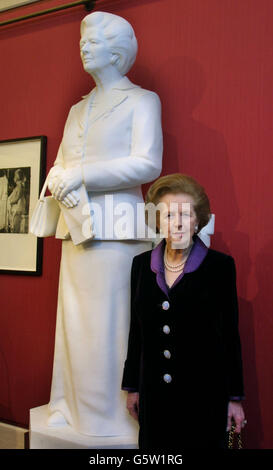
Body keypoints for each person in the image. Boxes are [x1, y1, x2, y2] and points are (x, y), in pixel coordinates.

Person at [46, 11, 162, 438]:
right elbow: (59, 164)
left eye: (92, 42)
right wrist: (60, 182)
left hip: (116, 229)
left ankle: (112, 416)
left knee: (112, 321)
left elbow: (148, 162)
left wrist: (82, 176)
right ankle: (71, 406)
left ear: (116, 52)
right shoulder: (78, 110)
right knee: (73, 320)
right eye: (82, 41)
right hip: (76, 227)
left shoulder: (142, 101)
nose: (83, 48)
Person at [122, 173, 246, 448]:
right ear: (157, 221)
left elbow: (230, 337)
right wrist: (132, 388)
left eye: (186, 214)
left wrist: (234, 398)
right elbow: (137, 331)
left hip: (204, 399)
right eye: (167, 215)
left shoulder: (220, 267)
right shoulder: (141, 266)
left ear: (198, 220)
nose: (177, 223)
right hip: (154, 400)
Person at [7, 169, 26, 233]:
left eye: (15, 176)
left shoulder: (20, 186)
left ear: (17, 177)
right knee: (14, 225)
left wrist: (11, 201)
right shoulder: (18, 186)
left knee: (15, 226)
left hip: (18, 208)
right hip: (16, 208)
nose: (13, 178)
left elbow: (18, 197)